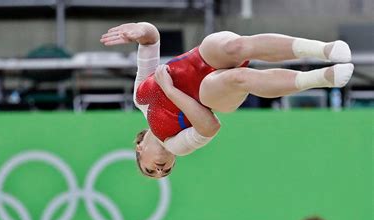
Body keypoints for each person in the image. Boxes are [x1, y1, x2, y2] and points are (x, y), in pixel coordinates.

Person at [100, 22, 354, 178]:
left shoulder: (140, 99)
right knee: (238, 78)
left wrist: (137, 29)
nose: (161, 169)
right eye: (166, 171)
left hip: (200, 58)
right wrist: (170, 90)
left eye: (150, 170)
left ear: (139, 149)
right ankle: (321, 77)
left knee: (237, 47)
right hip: (212, 95)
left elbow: (151, 38)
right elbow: (210, 126)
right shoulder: (176, 145)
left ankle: (323, 49)